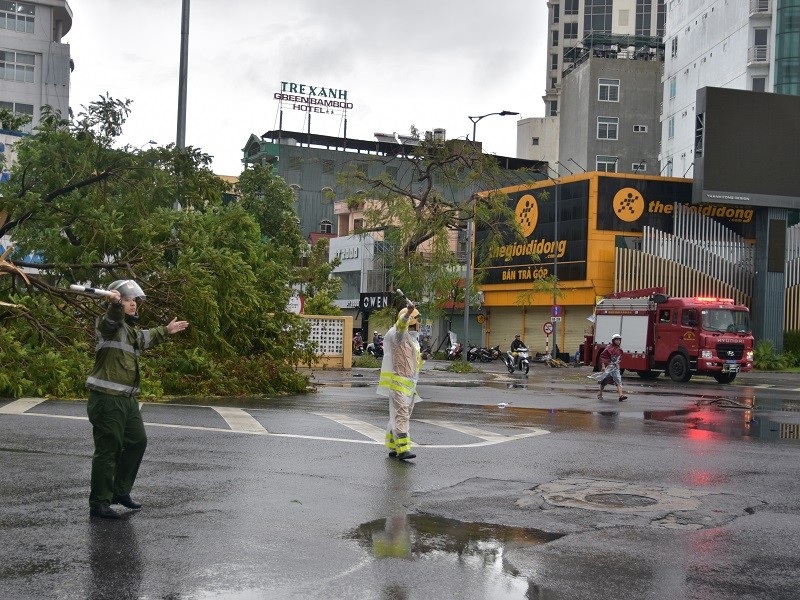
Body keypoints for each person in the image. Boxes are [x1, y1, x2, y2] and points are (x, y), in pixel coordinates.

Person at [86, 279, 189, 519]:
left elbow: (146, 337)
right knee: (108, 450)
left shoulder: (130, 331)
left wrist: (166, 330)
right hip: (107, 399)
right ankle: (99, 502)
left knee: (137, 442)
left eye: (134, 301)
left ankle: (120, 491)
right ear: (117, 302)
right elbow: (112, 320)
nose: (133, 305)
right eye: (128, 300)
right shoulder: (106, 325)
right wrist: (113, 305)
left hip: (128, 400)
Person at [377, 301, 422, 460]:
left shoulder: (412, 341)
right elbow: (400, 327)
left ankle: (393, 446)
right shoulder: (398, 336)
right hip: (399, 383)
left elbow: (413, 362)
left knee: (399, 415)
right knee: (402, 414)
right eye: (418, 320)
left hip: (409, 385)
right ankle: (403, 449)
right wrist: (408, 313)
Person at [598, 333, 627, 401]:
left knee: (618, 380)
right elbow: (603, 357)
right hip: (608, 367)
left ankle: (621, 395)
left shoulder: (619, 349)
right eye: (616, 340)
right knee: (605, 380)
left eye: (619, 340)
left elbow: (619, 358)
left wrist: (617, 363)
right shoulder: (609, 348)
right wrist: (603, 366)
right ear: (613, 340)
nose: (618, 341)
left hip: (615, 367)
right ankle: (600, 393)